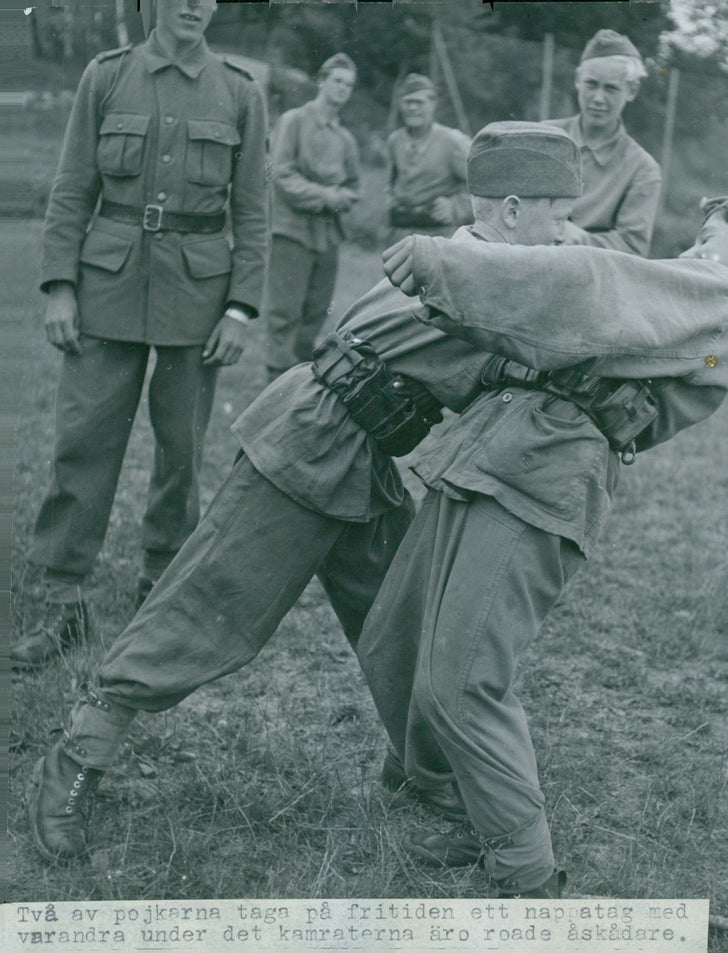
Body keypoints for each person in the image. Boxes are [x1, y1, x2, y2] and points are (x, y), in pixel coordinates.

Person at [24, 122, 585, 865]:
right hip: (313, 439)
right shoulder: (476, 270)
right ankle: (74, 759)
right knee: (203, 611)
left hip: (367, 457)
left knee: (407, 621)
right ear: (511, 211)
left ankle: (430, 780)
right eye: (556, 212)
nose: (567, 231)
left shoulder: (480, 262)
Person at [357, 194, 728, 898]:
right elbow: (564, 325)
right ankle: (449, 800)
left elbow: (593, 285)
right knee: (400, 636)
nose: (691, 247)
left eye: (707, 234)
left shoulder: (723, 298)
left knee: (462, 677)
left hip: (544, 466)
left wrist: (452, 265)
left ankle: (525, 871)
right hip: (500, 448)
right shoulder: (699, 308)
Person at [12, 0, 269, 669]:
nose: (193, 5)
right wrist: (60, 285)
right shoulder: (106, 76)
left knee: (181, 450)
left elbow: (253, 209)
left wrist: (241, 307)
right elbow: (72, 188)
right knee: (83, 442)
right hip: (107, 285)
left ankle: (162, 596)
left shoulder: (239, 92)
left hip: (198, 293)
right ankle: (61, 601)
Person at [264, 52, 360, 383]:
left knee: (317, 312)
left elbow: (353, 185)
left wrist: (343, 197)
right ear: (321, 81)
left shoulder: (345, 139)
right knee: (284, 312)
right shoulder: (293, 121)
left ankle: (298, 383)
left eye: (349, 84)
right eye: (337, 80)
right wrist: (326, 196)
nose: (342, 89)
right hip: (291, 230)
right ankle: (275, 384)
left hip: (327, 235)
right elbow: (282, 175)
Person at [547, 28, 661, 256]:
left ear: (632, 90)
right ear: (578, 80)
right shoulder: (543, 136)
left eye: (611, 88)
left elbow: (633, 246)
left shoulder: (643, 169)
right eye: (591, 84)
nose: (598, 98)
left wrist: (580, 239)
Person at [386, 73, 473, 243]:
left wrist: (455, 207)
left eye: (419, 102)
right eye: (407, 102)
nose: (412, 108)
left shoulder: (452, 141)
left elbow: (481, 184)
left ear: (433, 104)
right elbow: (391, 184)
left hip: (438, 236)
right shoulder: (395, 141)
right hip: (400, 235)